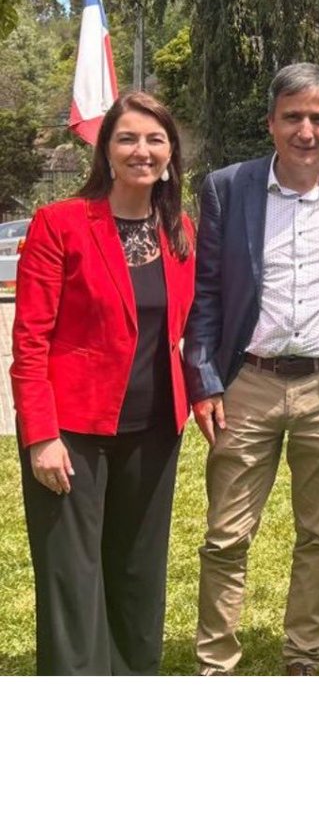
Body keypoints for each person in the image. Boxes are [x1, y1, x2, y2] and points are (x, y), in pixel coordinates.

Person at [184, 63, 319, 676]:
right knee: (226, 536)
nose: (306, 130)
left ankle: (304, 657)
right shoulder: (228, 187)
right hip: (246, 384)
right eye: (293, 117)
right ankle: (215, 661)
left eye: (318, 119)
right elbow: (208, 294)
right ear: (271, 122)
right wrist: (204, 378)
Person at [10, 93, 195, 675]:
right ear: (106, 149)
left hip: (155, 428)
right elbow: (29, 341)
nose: (142, 151)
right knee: (73, 578)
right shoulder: (60, 223)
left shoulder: (180, 229)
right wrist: (40, 435)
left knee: (138, 571)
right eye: (128, 139)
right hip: (71, 432)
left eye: (155, 139)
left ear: (170, 152)